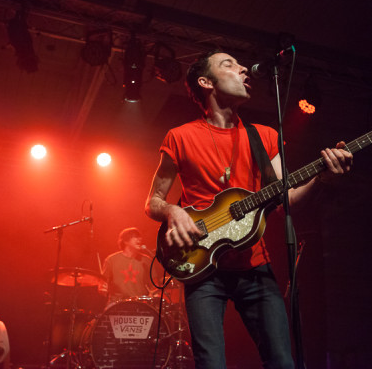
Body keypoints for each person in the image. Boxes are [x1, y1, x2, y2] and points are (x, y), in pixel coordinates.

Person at [144, 50, 353, 368]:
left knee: (282, 361)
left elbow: (288, 200)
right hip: (202, 268)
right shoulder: (180, 137)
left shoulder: (265, 136)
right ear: (205, 82)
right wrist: (174, 212)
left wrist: (322, 179)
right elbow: (153, 201)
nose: (243, 69)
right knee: (210, 362)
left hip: (255, 267)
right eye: (229, 64)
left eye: (241, 65)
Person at [100, 227, 154, 304]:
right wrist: (103, 288)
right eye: (135, 237)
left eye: (140, 237)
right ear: (125, 241)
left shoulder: (147, 260)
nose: (139, 239)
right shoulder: (111, 260)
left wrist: (154, 293)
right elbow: (103, 283)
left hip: (141, 303)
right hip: (117, 303)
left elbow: (155, 285)